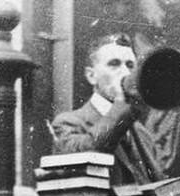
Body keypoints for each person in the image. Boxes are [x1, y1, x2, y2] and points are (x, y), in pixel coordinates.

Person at [51, 34, 169, 186]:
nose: (126, 73)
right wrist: (121, 106)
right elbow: (87, 154)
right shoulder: (68, 123)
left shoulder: (142, 133)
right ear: (91, 75)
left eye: (130, 65)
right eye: (114, 64)